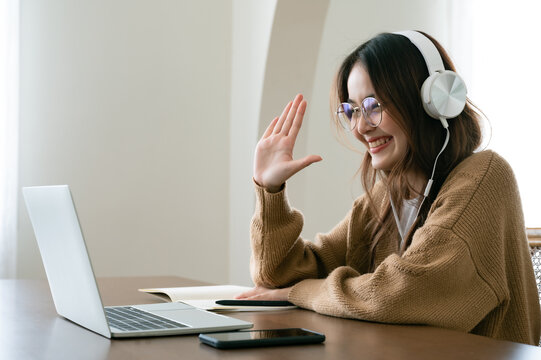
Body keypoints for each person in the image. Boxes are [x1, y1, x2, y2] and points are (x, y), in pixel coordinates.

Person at [237, 30, 541, 345]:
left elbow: (402, 292)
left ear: (432, 100)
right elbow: (277, 278)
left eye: (373, 105)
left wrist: (299, 293)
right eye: (352, 110)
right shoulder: (386, 197)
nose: (360, 126)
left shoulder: (485, 177)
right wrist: (270, 190)